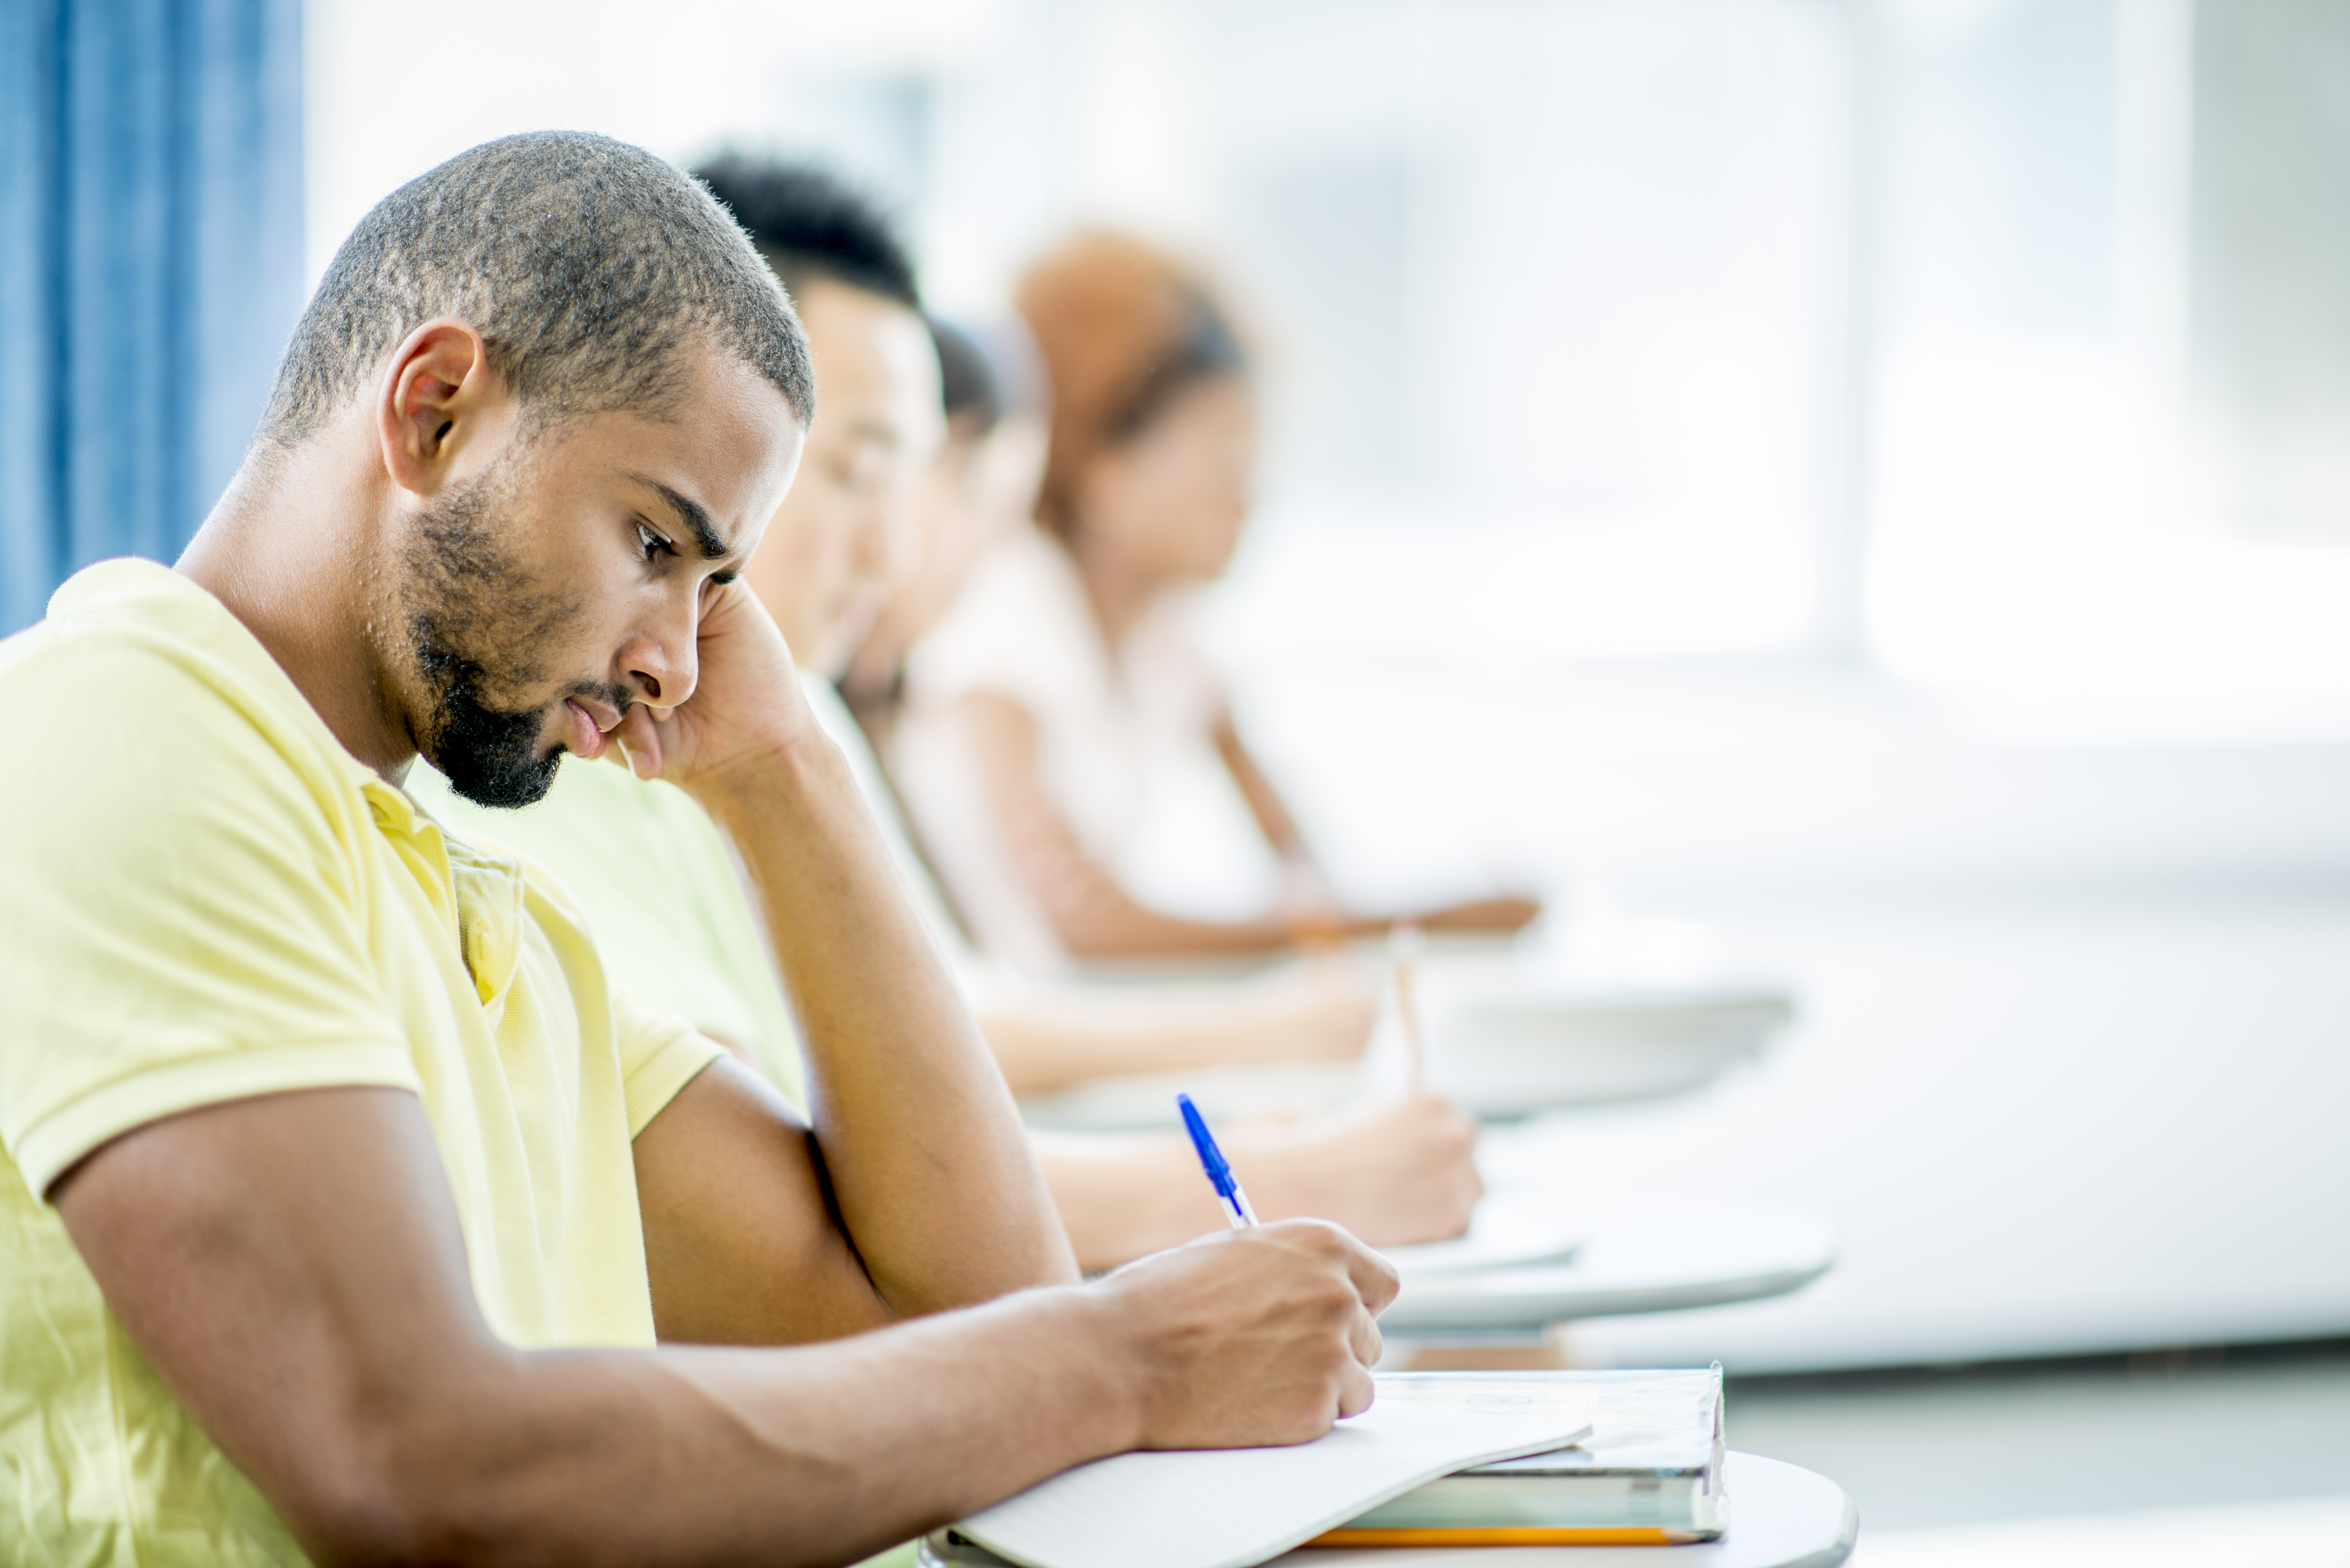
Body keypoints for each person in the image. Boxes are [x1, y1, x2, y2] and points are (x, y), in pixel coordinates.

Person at [0, 133, 1397, 1564]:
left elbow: (969, 1330)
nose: (676, 661)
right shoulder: (122, 724)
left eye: (719, 587)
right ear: (433, 413)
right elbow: (417, 1465)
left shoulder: (475, 905)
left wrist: (788, 769)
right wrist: (1128, 1361)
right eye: (657, 544)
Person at [413, 161, 1481, 1270]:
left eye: (912, 485)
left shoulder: (793, 721)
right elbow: (794, 1221)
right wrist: (1280, 1172)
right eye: (854, 474)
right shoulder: (567, 750)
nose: (896, 553)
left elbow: (931, 1080)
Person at [890, 229, 1542, 965]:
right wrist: (1419, 922)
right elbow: (1082, 927)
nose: (1247, 502)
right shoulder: (1008, 611)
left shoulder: (1170, 645)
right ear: (1106, 472)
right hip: (1010, 1013)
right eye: (1223, 469)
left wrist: (1380, 914)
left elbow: (1302, 866)